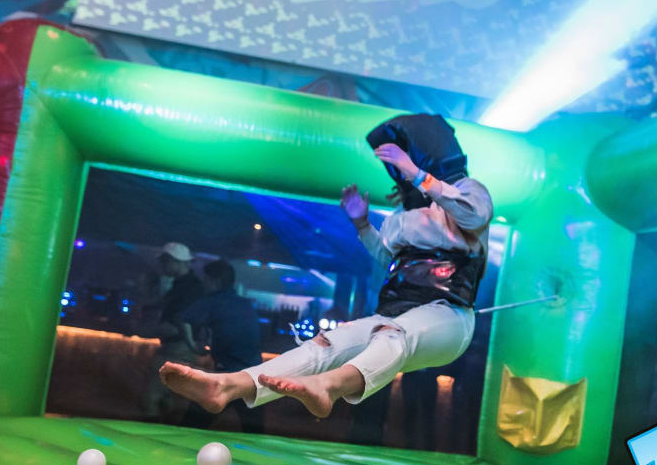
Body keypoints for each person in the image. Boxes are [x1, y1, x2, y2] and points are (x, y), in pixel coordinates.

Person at [159, 113, 492, 420]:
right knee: (327, 342)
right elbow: (389, 260)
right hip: (397, 313)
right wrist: (361, 223)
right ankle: (229, 385)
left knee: (391, 334)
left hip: (448, 316)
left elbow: (473, 215)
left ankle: (329, 386)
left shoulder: (468, 190)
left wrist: (416, 173)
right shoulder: (405, 213)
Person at [177, 259, 266, 431]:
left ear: (215, 282)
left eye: (206, 280)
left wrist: (193, 346)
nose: (204, 284)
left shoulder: (213, 301)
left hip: (227, 375)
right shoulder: (246, 304)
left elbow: (183, 320)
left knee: (190, 427)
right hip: (254, 378)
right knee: (254, 433)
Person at [140, 242, 205, 419]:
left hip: (177, 349)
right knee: (167, 400)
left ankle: (149, 431)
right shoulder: (187, 286)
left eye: (165, 261)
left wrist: (145, 331)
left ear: (176, 261)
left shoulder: (186, 289)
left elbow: (179, 324)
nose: (162, 265)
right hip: (181, 349)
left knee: (151, 398)